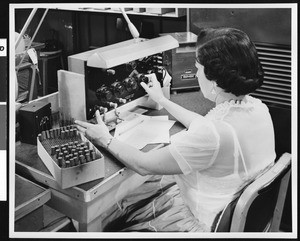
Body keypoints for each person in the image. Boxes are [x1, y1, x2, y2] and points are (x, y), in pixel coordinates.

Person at [75, 27, 276, 232]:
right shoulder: (258, 109)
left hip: (204, 225)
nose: (196, 74)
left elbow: (143, 164)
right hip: (240, 219)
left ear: (215, 79)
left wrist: (103, 139)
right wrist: (162, 100)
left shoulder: (213, 135)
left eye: (198, 68)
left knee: (117, 207)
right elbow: (204, 126)